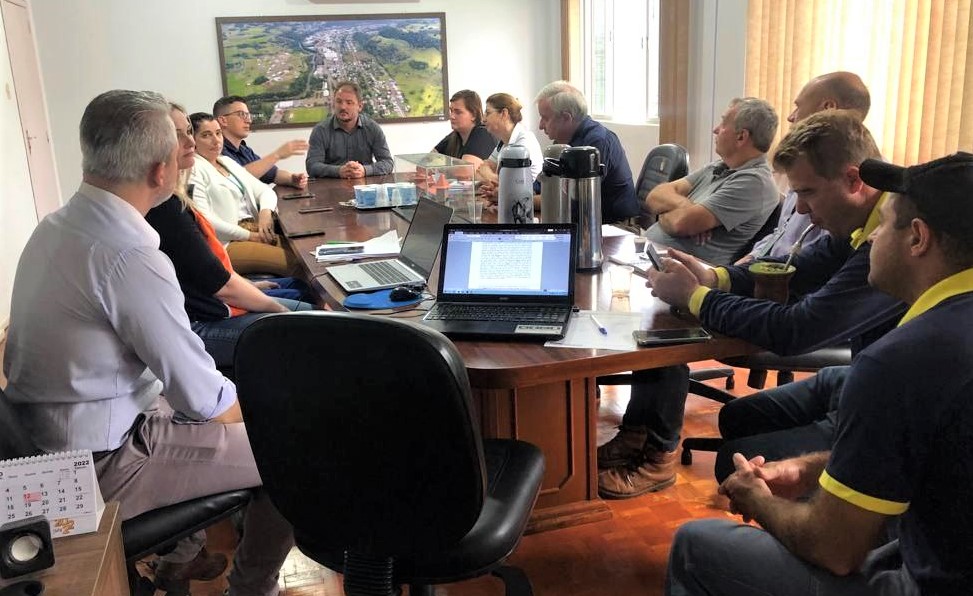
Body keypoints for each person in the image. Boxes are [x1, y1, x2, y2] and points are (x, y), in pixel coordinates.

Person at [1, 90, 292, 596]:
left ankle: (180, 556)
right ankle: (250, 589)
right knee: (296, 449)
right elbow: (205, 400)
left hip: (56, 438)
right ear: (161, 172)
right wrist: (283, 413)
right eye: (180, 146)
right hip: (104, 462)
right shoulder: (129, 253)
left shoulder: (55, 226)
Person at [666, 152, 973, 596]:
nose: (873, 237)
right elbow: (929, 453)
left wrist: (756, 499)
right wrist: (808, 471)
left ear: (918, 239)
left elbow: (833, 548)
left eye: (885, 224)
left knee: (695, 545)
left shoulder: (903, 362)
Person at [598, 111, 905, 499]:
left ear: (853, 180)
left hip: (887, 403)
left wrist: (695, 297)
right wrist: (713, 278)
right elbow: (791, 270)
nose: (802, 210)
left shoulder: (891, 244)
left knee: (732, 461)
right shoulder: (857, 222)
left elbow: (795, 330)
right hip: (859, 378)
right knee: (737, 417)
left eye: (808, 193)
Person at [147, 103, 314, 369]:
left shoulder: (215, 170)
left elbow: (263, 190)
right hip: (202, 321)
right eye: (182, 134)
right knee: (313, 320)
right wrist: (278, 311)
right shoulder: (166, 209)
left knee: (305, 295)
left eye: (190, 132)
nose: (190, 141)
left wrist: (265, 214)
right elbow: (218, 281)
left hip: (214, 300)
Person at [737, 71, 871, 265]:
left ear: (828, 108)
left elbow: (816, 265)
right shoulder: (804, 163)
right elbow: (781, 233)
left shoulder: (845, 176)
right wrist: (739, 268)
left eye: (798, 107)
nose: (791, 118)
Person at [645, 97, 781, 266]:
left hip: (685, 273)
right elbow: (654, 196)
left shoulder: (754, 182)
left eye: (723, 124)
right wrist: (686, 207)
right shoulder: (719, 166)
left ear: (741, 137)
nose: (715, 130)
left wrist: (665, 211)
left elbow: (681, 224)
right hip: (653, 256)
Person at [189, 111, 299, 277]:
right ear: (193, 140)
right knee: (295, 265)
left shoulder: (226, 162)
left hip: (254, 231)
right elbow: (205, 221)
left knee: (302, 255)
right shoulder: (193, 169)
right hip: (227, 243)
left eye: (218, 133)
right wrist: (249, 236)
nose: (216, 140)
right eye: (206, 135)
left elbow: (264, 191)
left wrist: (265, 212)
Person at [534, 80, 640, 223]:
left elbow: (573, 200)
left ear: (566, 118)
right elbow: (542, 184)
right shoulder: (561, 143)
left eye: (545, 118)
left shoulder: (596, 144)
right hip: (584, 222)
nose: (540, 126)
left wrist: (524, 199)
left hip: (614, 227)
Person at [213, 94, 309, 188]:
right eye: (242, 114)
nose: (248, 121)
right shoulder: (215, 150)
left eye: (248, 115)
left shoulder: (244, 150)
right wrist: (277, 155)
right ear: (223, 120)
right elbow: (238, 179)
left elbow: (273, 174)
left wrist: (292, 179)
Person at [305, 81, 393, 179]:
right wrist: (338, 171)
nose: (343, 107)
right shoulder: (321, 130)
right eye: (339, 101)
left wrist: (364, 170)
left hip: (364, 186)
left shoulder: (372, 128)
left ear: (360, 106)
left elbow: (388, 163)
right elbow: (312, 166)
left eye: (349, 102)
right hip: (331, 188)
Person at [476, 93, 544, 202]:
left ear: (504, 113)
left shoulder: (524, 141)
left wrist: (491, 179)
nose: (483, 119)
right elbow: (483, 167)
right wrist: (493, 180)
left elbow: (511, 185)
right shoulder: (503, 141)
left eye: (488, 113)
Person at [433, 89, 497, 168]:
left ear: (473, 115)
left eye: (458, 112)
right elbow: (427, 161)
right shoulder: (454, 135)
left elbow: (465, 171)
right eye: (451, 111)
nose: (451, 116)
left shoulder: (482, 133)